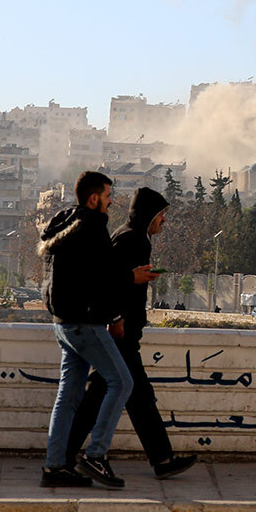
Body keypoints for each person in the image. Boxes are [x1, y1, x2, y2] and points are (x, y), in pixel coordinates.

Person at [66, 186, 197, 479]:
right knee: (123, 396)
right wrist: (116, 317)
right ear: (150, 215)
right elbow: (106, 281)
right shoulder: (132, 239)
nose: (164, 221)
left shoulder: (133, 237)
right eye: (161, 215)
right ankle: (70, 454)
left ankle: (161, 459)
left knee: (123, 396)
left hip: (125, 332)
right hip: (121, 333)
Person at [37, 171, 149, 489]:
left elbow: (84, 273)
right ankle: (95, 455)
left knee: (68, 396)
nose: (112, 201)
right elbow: (103, 276)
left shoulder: (65, 221)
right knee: (122, 382)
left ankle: (55, 466)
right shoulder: (92, 225)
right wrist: (131, 282)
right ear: (93, 197)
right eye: (108, 195)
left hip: (63, 323)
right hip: (85, 323)